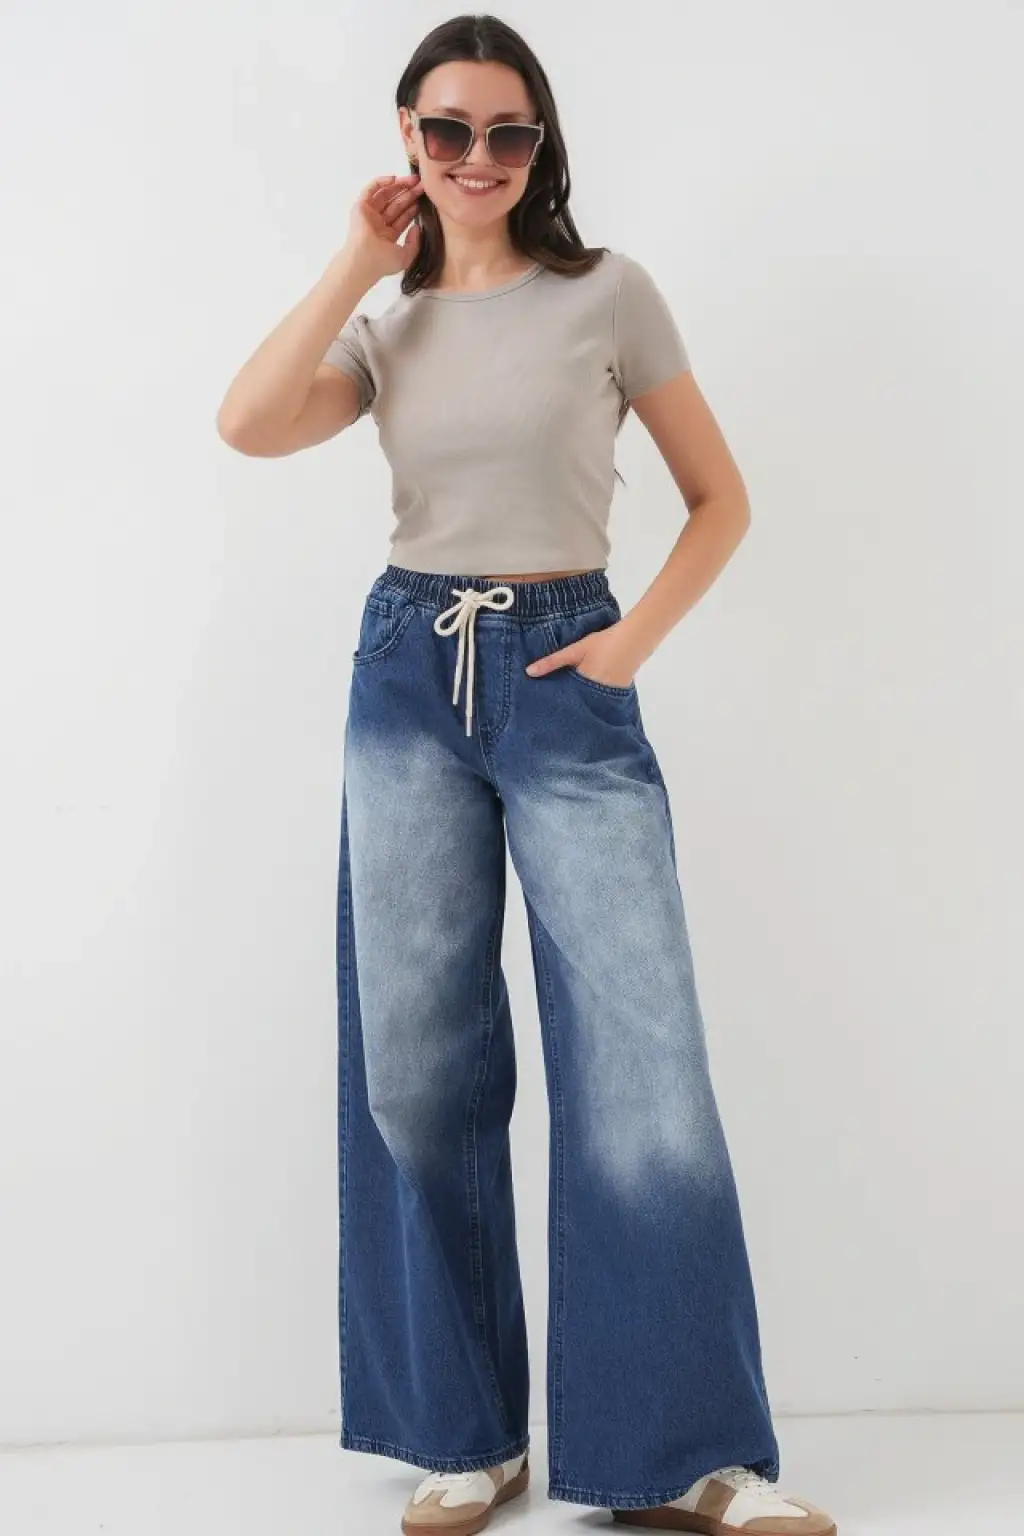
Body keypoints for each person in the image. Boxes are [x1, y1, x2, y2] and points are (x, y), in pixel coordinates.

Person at [216, 14, 838, 1536]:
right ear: (409, 140)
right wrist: (356, 264)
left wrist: (626, 647)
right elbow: (247, 423)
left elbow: (719, 498)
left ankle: (680, 1453)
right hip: (407, 675)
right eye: (449, 129)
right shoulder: (388, 328)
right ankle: (465, 1433)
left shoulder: (608, 293)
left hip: (568, 669)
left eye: (507, 130)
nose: (479, 156)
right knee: (414, 1064)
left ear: (540, 142)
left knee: (643, 1064)